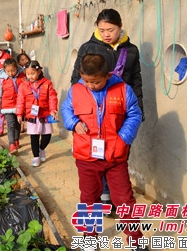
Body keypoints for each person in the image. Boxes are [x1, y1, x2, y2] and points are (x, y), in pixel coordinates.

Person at [61, 54, 145, 250]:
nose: (90, 85)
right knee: (89, 199)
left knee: (124, 199)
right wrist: (74, 123)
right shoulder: (76, 90)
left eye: (96, 81)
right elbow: (67, 110)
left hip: (116, 156)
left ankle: (136, 241)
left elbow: (134, 113)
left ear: (107, 75)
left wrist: (123, 138)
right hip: (86, 157)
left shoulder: (123, 89)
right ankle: (90, 239)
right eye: (86, 80)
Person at [71, 8, 144, 208]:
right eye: (102, 30)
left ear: (120, 27)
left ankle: (114, 197)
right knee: (92, 179)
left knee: (117, 158)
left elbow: (136, 80)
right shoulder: (89, 48)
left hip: (118, 112)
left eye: (110, 29)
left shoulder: (131, 51)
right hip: (92, 118)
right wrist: (75, 121)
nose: (106, 34)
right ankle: (104, 196)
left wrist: (137, 115)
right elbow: (76, 88)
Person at [16, 61, 58, 167]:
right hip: (32, 116)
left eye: (33, 73)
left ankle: (42, 149)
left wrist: (53, 110)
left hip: (44, 114)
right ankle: (36, 157)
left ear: (39, 71)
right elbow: (20, 100)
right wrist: (19, 114)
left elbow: (52, 97)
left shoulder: (47, 83)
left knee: (47, 136)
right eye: (28, 74)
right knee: (34, 137)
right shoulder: (23, 85)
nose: (30, 76)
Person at [0, 58, 26, 154]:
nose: (11, 73)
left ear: (17, 68)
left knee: (18, 124)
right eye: (8, 71)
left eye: (13, 70)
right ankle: (11, 144)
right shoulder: (1, 80)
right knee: (10, 125)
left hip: (20, 106)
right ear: (4, 70)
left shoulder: (22, 77)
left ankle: (16, 139)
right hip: (7, 106)